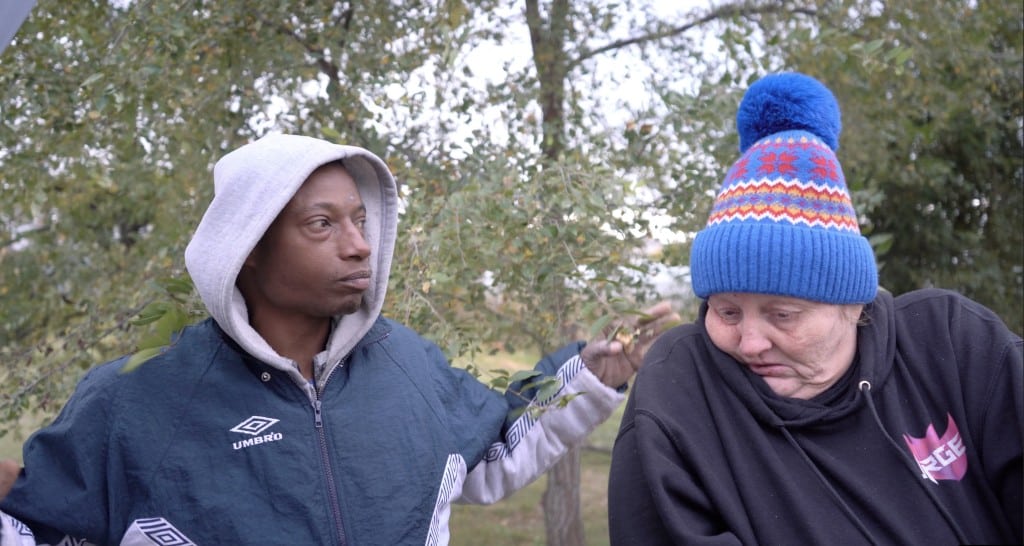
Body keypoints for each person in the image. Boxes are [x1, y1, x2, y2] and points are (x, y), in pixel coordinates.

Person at [0, 133, 679, 545]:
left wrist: (596, 371)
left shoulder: (408, 363)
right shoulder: (136, 401)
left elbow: (493, 451)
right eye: (322, 224)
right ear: (249, 250)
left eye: (360, 218)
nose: (360, 245)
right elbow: (39, 524)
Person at [607, 72, 1023, 545]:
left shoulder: (954, 343)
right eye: (726, 312)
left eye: (783, 314)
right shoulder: (682, 389)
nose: (750, 342)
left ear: (851, 302)